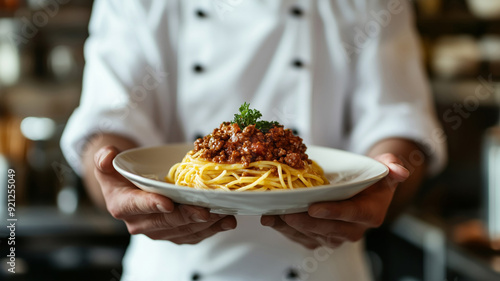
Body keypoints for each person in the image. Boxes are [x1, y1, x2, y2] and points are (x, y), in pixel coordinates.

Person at [61, 0, 447, 280]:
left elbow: (397, 118)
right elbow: (110, 119)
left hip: (324, 269)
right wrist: (111, 173)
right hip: (171, 269)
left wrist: (386, 176)